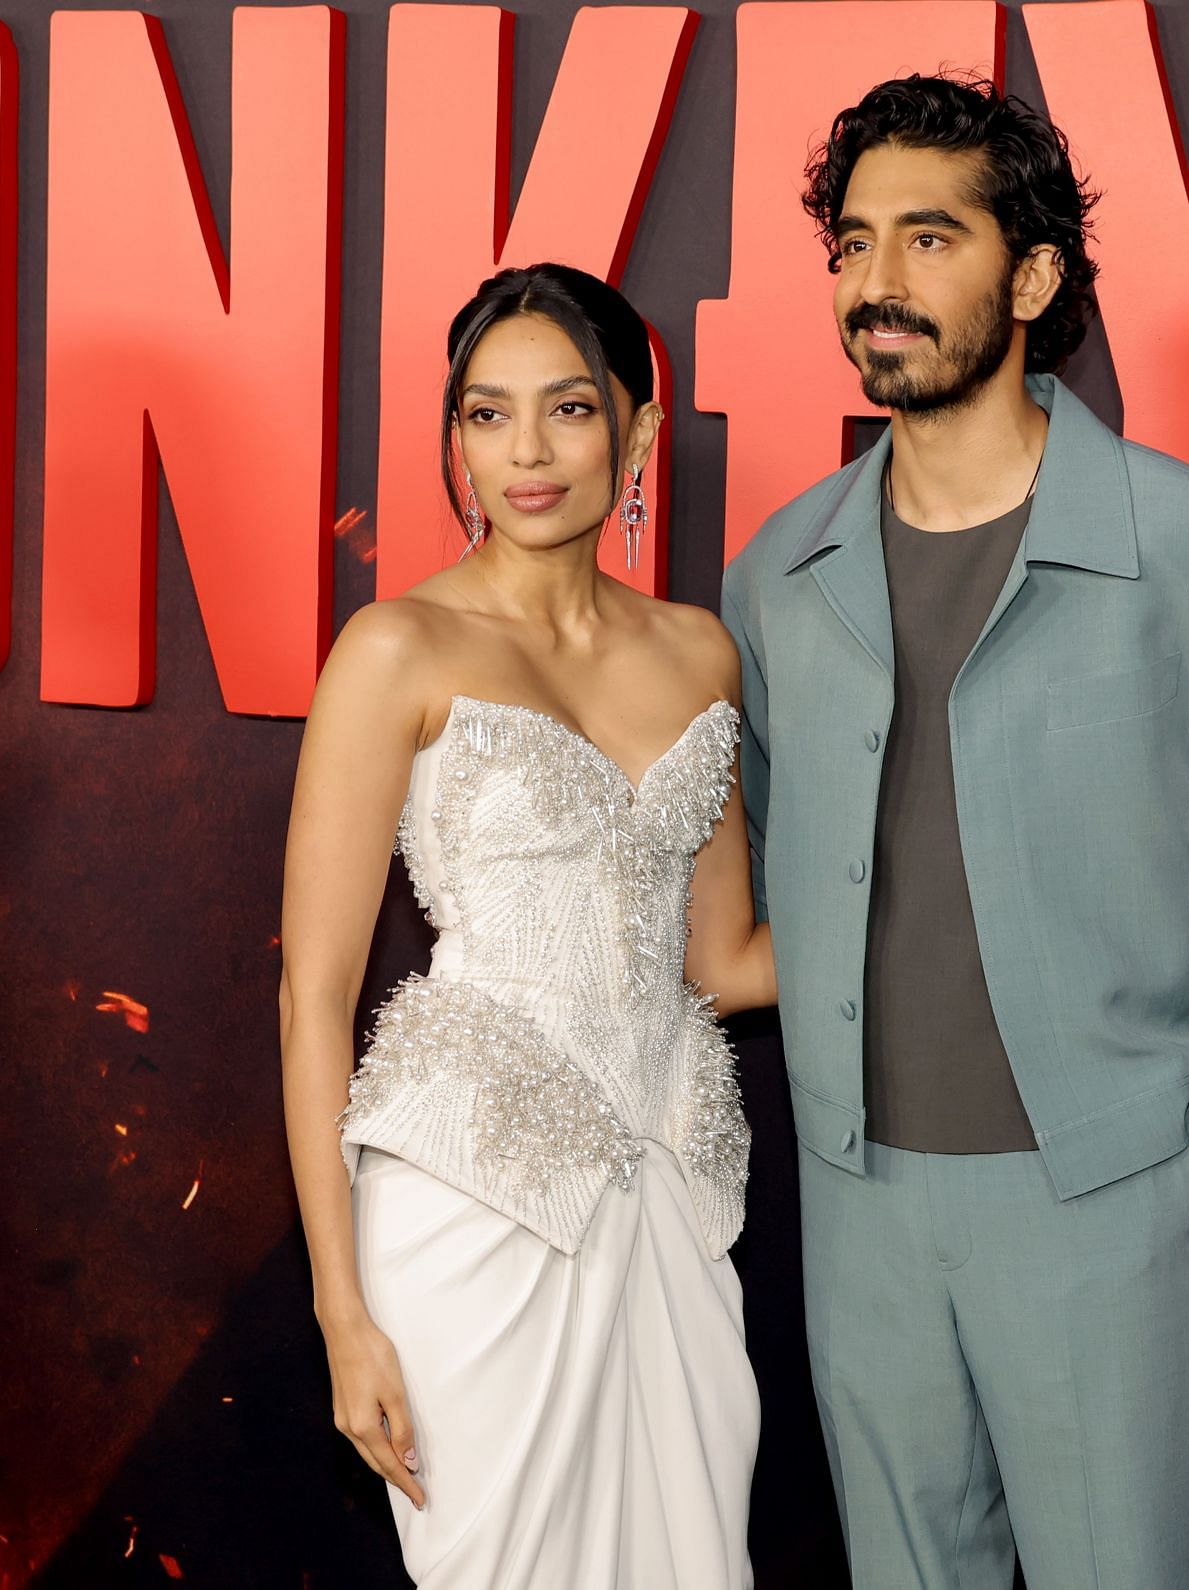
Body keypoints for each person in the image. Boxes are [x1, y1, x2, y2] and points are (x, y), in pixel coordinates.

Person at [719, 75, 1189, 1588]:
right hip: (860, 1204)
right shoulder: (782, 573)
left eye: (929, 239)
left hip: (1105, 1204)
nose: (878, 283)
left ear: (1030, 276)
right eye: (855, 242)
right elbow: (754, 856)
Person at [278, 262, 772, 1589]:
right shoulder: (395, 646)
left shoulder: (700, 653)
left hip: (664, 1194)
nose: (527, 453)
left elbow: (724, 958)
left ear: (638, 429)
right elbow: (314, 994)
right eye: (487, 415)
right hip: (467, 1203)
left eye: (566, 409)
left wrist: (952, 913)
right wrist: (342, 1315)